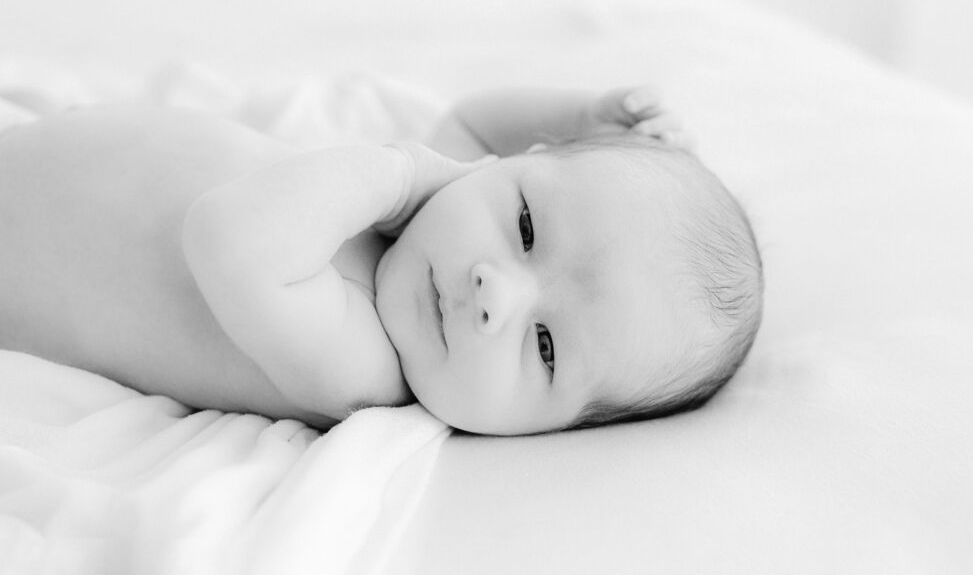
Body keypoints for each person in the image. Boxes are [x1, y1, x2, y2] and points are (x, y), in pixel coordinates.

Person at [0, 86, 762, 435]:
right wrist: (581, 119)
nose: (496, 291)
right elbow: (469, 119)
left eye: (546, 346)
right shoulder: (435, 234)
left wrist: (402, 172)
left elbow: (226, 238)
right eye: (526, 224)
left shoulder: (366, 364)